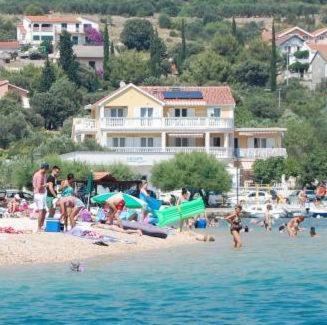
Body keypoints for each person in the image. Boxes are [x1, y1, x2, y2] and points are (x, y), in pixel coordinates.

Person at [32, 163, 49, 232]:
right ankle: (39, 227)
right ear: (44, 168)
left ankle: (41, 226)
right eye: (47, 169)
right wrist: (46, 185)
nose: (47, 171)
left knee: (44, 211)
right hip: (39, 194)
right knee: (41, 211)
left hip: (38, 194)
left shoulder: (37, 174)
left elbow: (34, 185)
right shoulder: (40, 175)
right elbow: (39, 186)